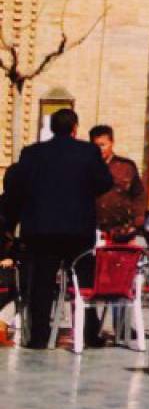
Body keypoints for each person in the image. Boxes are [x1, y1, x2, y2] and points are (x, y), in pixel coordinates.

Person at [0, 108, 112, 349]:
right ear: (75, 128)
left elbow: (16, 186)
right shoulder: (88, 152)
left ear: (51, 129)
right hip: (78, 230)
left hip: (41, 231)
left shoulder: (32, 154)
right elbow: (105, 182)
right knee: (84, 283)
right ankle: (89, 334)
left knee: (42, 284)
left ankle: (39, 337)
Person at [89, 125, 149, 252]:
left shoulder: (126, 167)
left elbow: (139, 194)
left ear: (112, 143)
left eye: (103, 145)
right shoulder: (87, 167)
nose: (99, 149)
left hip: (122, 231)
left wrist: (137, 221)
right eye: (95, 145)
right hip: (94, 231)